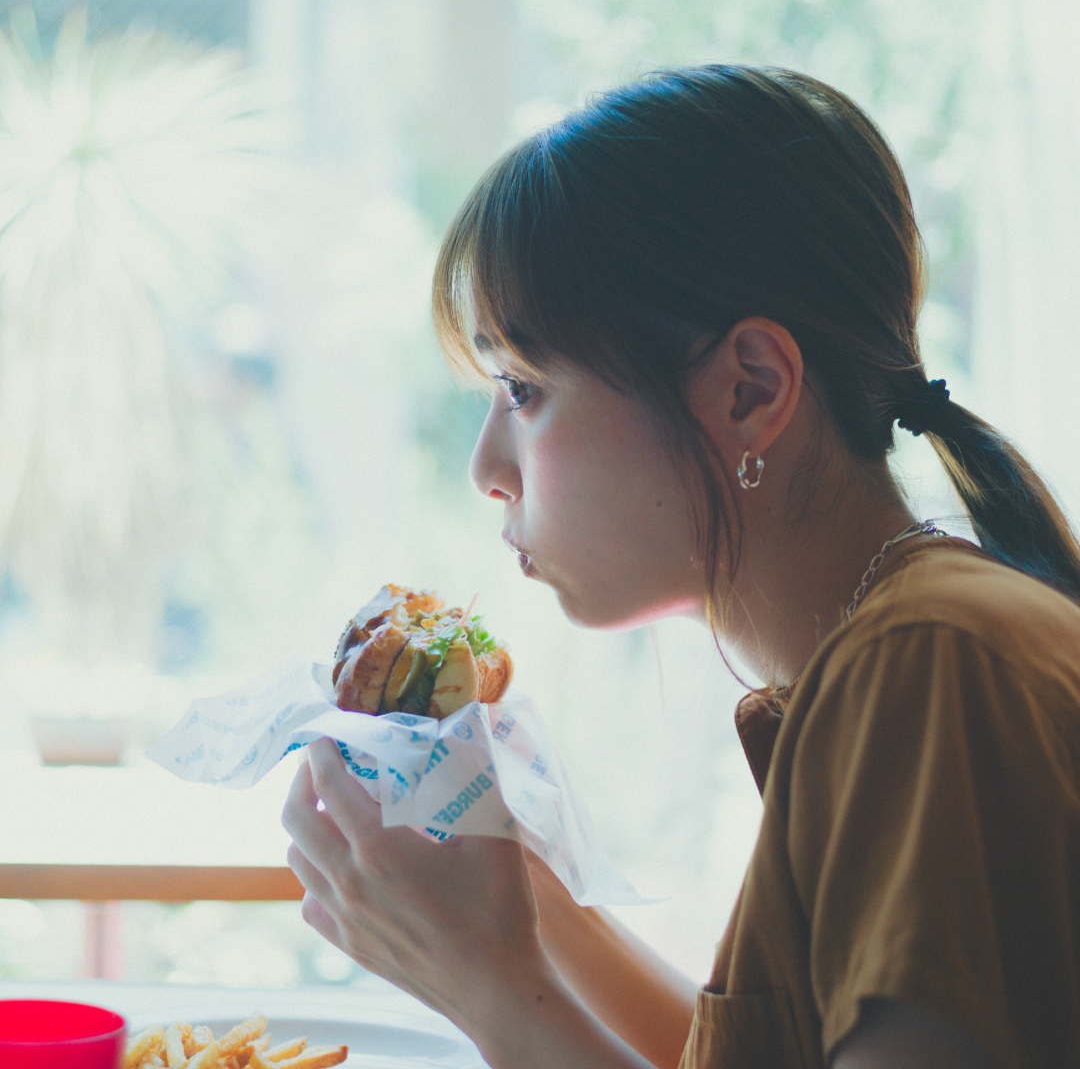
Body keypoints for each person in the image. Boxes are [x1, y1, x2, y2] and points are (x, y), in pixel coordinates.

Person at [281, 65, 1080, 1069]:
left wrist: (491, 984)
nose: (486, 469)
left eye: (522, 389)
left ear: (750, 390)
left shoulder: (934, 664)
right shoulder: (889, 658)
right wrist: (536, 903)